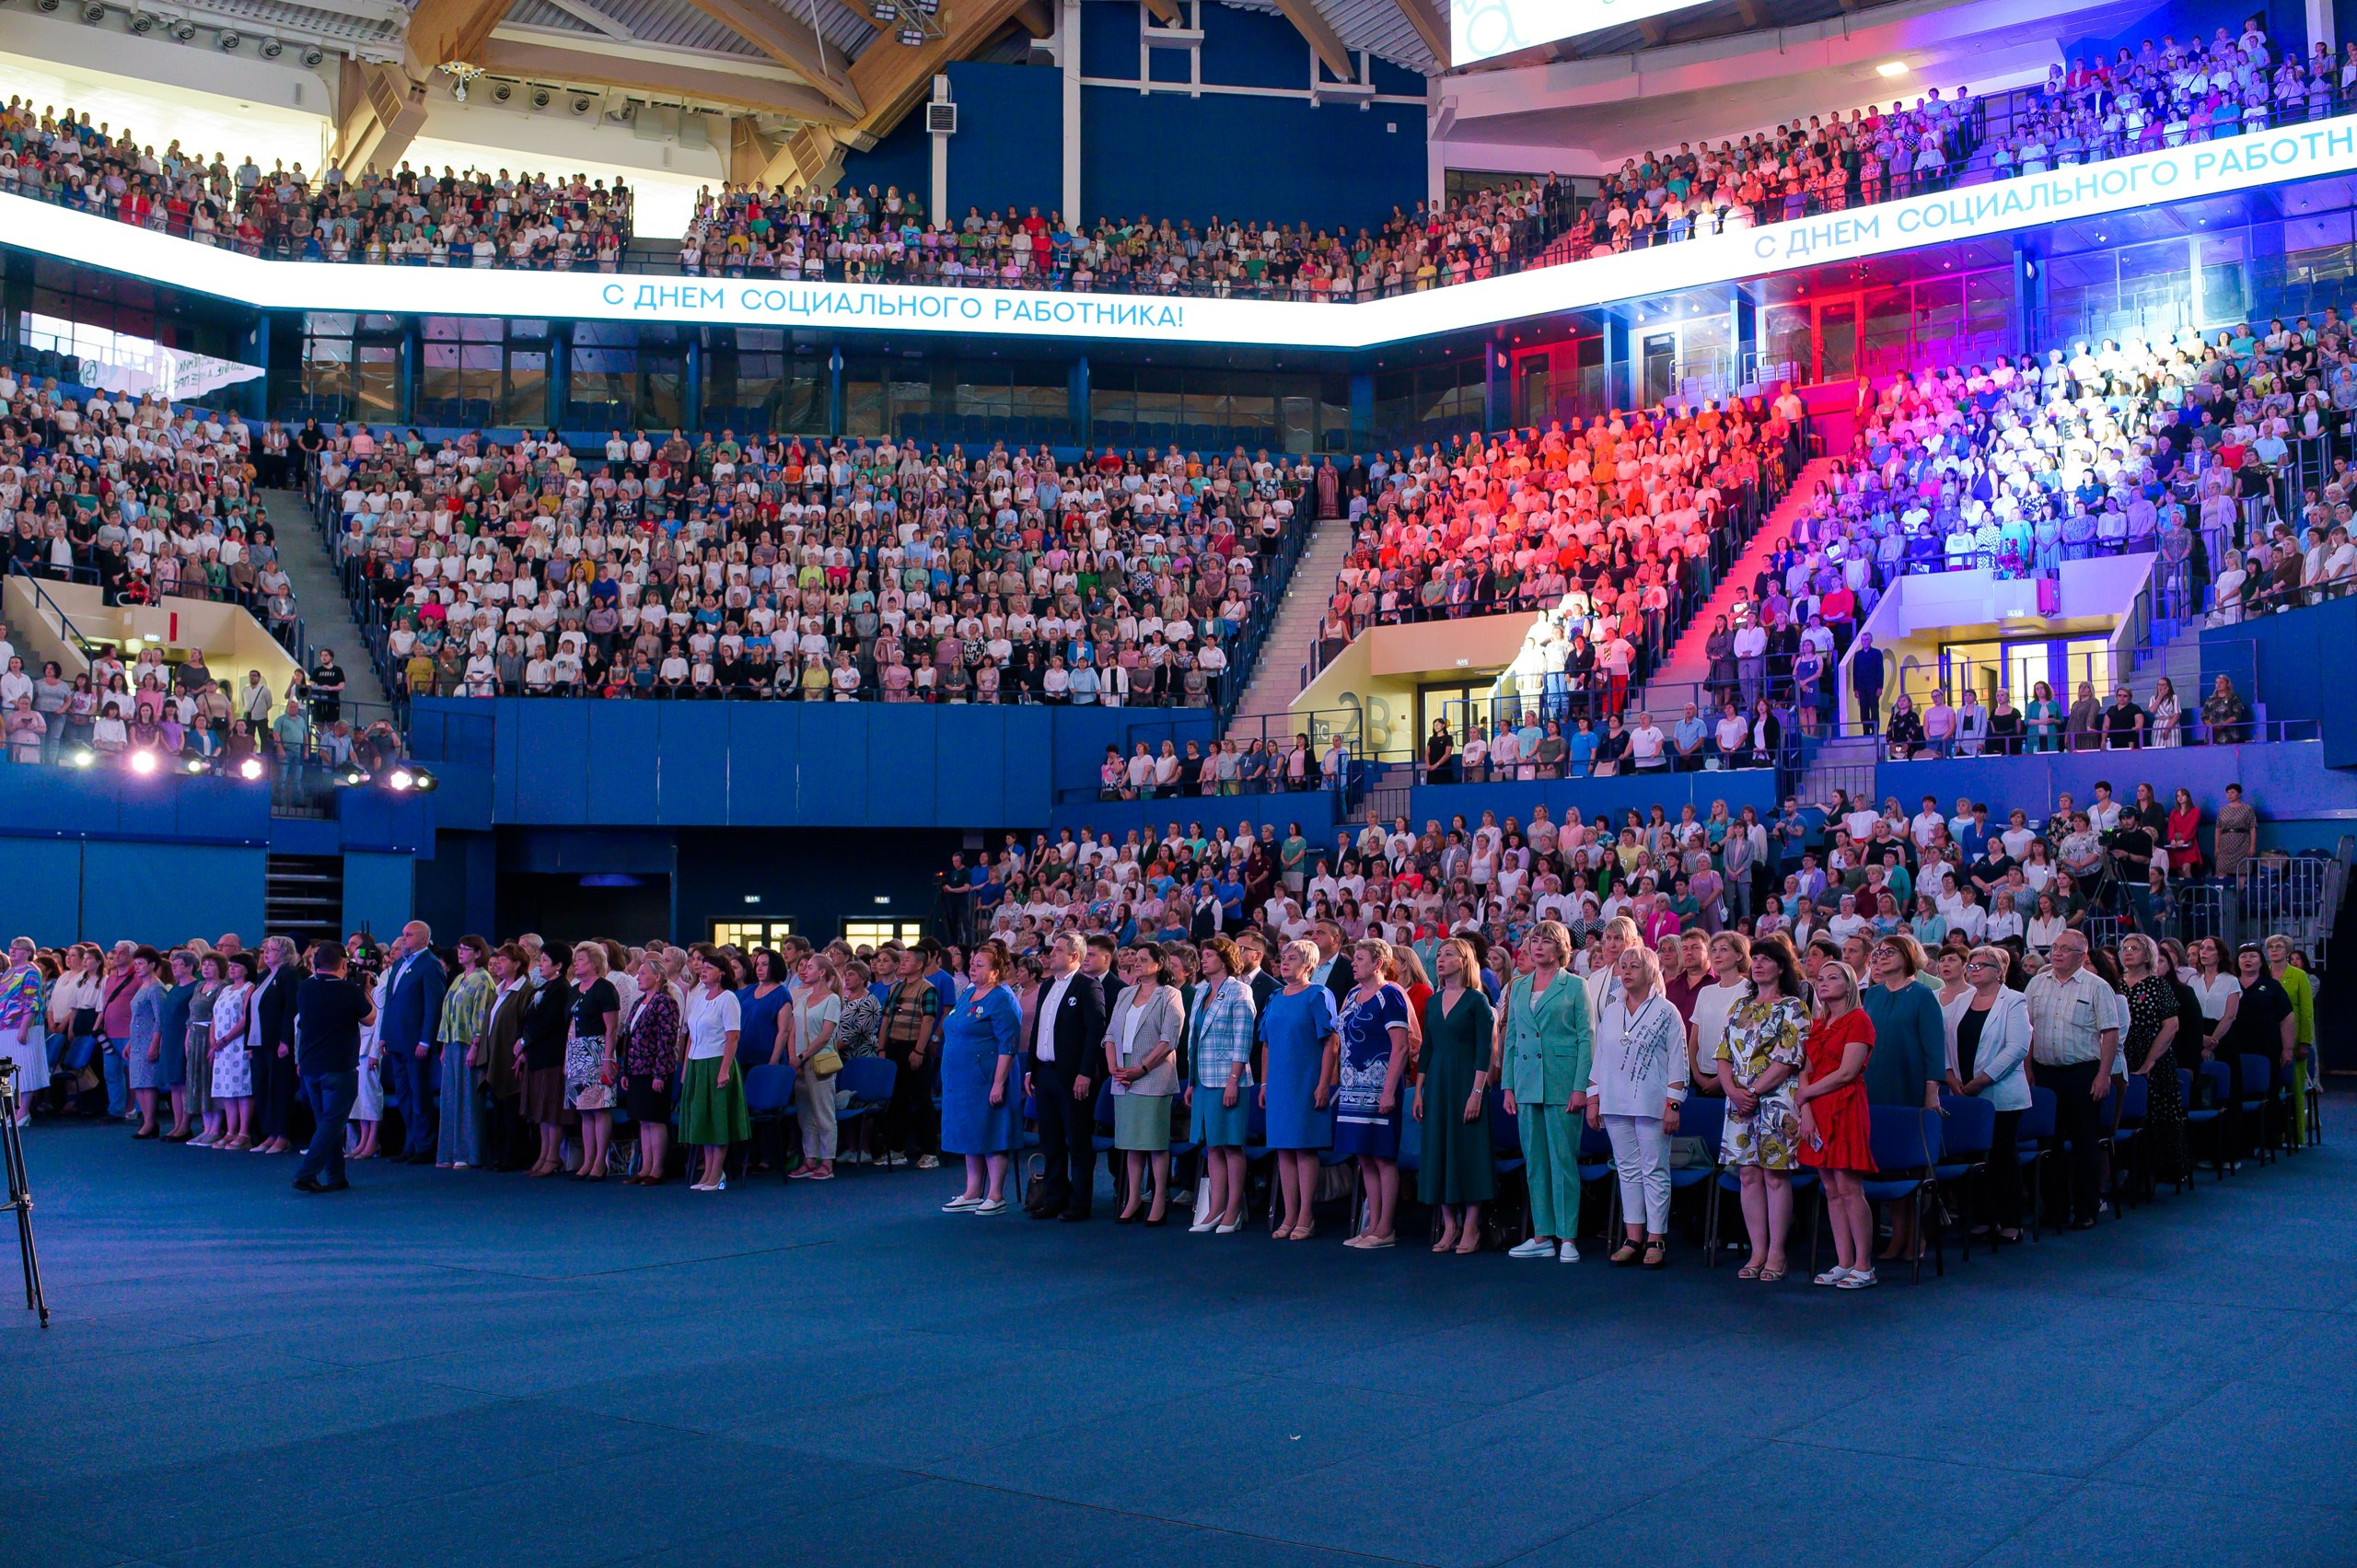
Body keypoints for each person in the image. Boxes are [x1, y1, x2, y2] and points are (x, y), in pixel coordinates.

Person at [1585, 941, 1688, 1270]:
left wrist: (1674, 1104)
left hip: (1652, 1102)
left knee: (1654, 1169)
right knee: (1627, 1170)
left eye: (1634, 966)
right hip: (1614, 1102)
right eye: (1623, 966)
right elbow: (1599, 1057)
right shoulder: (1612, 1010)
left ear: (1650, 972)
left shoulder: (1666, 1011)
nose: (1626, 972)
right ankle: (1633, 1237)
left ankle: (1656, 1237)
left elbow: (1678, 1060)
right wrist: (1593, 1098)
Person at [1716, 938, 1810, 1281]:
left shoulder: (1794, 1007)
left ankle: (1777, 1252)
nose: (1757, 964)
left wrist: (1752, 1091)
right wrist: (1732, 1090)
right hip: (1739, 1101)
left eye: (1766, 959)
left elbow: (1788, 1059)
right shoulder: (1740, 1005)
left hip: (1777, 1101)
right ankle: (1756, 1250)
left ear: (1781, 967)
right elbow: (1724, 1054)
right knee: (1747, 1174)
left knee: (1774, 1174)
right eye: (1754, 958)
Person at [1501, 920, 1594, 1263]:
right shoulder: (1519, 986)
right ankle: (1541, 1235)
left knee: (1563, 1161)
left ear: (1560, 949)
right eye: (1534, 940)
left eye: (1546, 941)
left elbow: (1587, 1039)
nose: (1537, 947)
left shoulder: (1575, 985)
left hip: (1561, 1081)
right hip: (1527, 1084)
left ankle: (1568, 1236)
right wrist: (1508, 1085)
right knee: (1535, 1162)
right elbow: (1510, 1039)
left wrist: (1581, 1086)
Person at [2024, 930, 2120, 1229]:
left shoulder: (2097, 986)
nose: (2058, 953)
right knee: (2049, 1145)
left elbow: (2110, 1033)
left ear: (2081, 955)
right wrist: (2028, 1071)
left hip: (2083, 1073)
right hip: (2045, 1073)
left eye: (2065, 949)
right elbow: (2026, 1029)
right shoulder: (2036, 983)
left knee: (2084, 1145)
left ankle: (2085, 1209)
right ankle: (2054, 1208)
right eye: (2054, 947)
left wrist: (2104, 1075)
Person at [1794, 960, 1878, 1288]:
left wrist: (1804, 1096)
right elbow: (1806, 1068)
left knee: (1848, 1186)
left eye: (1833, 977)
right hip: (1817, 1107)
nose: (1824, 982)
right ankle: (1844, 1261)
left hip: (1845, 1106)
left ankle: (1864, 1265)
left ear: (1849, 984)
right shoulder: (1818, 1024)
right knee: (1830, 1187)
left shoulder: (1860, 1021)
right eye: (1820, 978)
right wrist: (1807, 1109)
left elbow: (1847, 1072)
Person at [1859, 934, 1943, 1261]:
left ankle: (1916, 1235)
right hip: (1873, 1088)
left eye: (1888, 951)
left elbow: (1934, 1050)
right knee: (1883, 1166)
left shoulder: (1923, 996)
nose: (1880, 957)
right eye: (1877, 953)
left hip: (1908, 1088)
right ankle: (1896, 1236)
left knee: (1908, 1167)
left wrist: (1931, 1093)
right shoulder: (1873, 996)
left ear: (1907, 955)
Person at [1943, 946, 2032, 1243]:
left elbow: (2017, 1046)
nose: (1974, 969)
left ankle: (2010, 1220)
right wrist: (1950, 1075)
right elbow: (1943, 1039)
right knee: (1972, 1156)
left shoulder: (2014, 1000)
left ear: (1998, 971)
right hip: (1965, 1092)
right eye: (1971, 965)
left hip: (2001, 1091)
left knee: (2002, 1155)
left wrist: (1984, 1078)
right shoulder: (1960, 1001)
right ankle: (1981, 1216)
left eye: (1982, 965)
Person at [1418, 936, 1496, 1255]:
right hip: (1437, 1082)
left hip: (1467, 1079)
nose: (1441, 960)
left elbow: (1485, 1050)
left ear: (1464, 962)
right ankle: (1450, 1224)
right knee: (1439, 1148)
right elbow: (1427, 1048)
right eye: (1439, 955)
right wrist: (1419, 1091)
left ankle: (1472, 1225)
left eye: (1448, 955)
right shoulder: (1433, 1002)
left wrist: (1477, 1092)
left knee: (1469, 1150)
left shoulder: (1477, 1001)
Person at [1334, 936, 1412, 1249]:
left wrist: (1390, 1091)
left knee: (1382, 1157)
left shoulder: (1390, 994)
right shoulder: (1352, 995)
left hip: (1381, 1088)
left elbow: (1401, 1046)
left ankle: (1385, 1228)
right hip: (1353, 1088)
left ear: (1378, 963)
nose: (1353, 963)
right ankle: (1371, 1225)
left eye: (1360, 959)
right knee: (1364, 1157)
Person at [1259, 937, 1339, 1240]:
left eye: (1292, 958)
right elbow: (1266, 1044)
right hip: (1279, 1083)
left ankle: (1306, 1215)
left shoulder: (1318, 994)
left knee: (1304, 1149)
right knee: (1284, 1150)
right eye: (1283, 957)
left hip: (1306, 1081)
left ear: (1309, 964)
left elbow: (1331, 1043)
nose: (1284, 962)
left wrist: (1323, 1084)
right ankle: (1289, 1213)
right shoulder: (1275, 996)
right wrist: (1265, 1083)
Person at [1023, 932, 1105, 1223]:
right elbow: (1037, 1031)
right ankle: (1055, 1198)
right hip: (1045, 1074)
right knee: (1051, 1140)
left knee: (1078, 1141)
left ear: (1074, 956)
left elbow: (1095, 1032)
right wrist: (1030, 1068)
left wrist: (1085, 1072)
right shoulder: (1046, 987)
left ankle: (1080, 1203)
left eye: (1058, 950)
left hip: (1072, 1077)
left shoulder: (1088, 986)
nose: (1051, 954)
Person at [1104, 942, 1184, 1225]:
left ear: (1158, 965)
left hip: (1153, 1074)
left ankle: (1159, 1197)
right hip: (1123, 1075)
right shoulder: (1125, 993)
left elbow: (1168, 1040)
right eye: (1134, 959)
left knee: (1153, 1142)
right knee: (1130, 1142)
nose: (1135, 963)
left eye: (1142, 959)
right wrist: (1114, 1066)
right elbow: (1111, 1033)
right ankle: (1133, 1197)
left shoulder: (1169, 995)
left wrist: (1142, 1068)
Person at [939, 944, 1021, 1215]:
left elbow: (1008, 1044)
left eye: (980, 964)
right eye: (972, 963)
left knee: (991, 1130)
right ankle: (972, 1191)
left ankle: (995, 1194)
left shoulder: (1001, 998)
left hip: (986, 1078)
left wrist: (999, 1083)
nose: (972, 967)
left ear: (997, 971)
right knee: (969, 1131)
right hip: (960, 1079)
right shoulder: (970, 992)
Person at [291, 940, 376, 1194]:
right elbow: (370, 1018)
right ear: (342, 963)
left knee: (325, 1122)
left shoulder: (305, 987)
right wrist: (366, 990)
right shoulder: (349, 990)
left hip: (310, 1064)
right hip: (338, 1065)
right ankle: (306, 1173)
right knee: (333, 1123)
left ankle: (336, 1175)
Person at [1186, 935, 1256, 1235]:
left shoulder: (1239, 991)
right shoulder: (1201, 991)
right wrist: (1191, 1082)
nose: (1204, 960)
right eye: (1203, 955)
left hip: (1228, 1079)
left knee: (1230, 1145)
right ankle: (1216, 1206)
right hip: (1203, 1079)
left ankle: (1233, 1208)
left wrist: (1233, 1081)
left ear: (1225, 959)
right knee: (1212, 1146)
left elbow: (1243, 1041)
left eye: (1210, 955)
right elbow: (1193, 1041)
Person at [2118, 934, 2187, 1190]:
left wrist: (2149, 1062)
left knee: (2156, 1116)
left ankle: (2153, 1172)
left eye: (2134, 948)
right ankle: (2124, 1170)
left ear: (2147, 955)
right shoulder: (2115, 985)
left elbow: (2171, 1026)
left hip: (2156, 1057)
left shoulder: (2159, 985)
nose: (2128, 952)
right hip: (2121, 1056)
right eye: (2124, 948)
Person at [379, 921, 449, 1165]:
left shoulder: (430, 965)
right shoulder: (399, 964)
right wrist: (384, 1035)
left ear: (422, 939)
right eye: (403, 935)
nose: (403, 939)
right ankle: (411, 1142)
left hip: (415, 1042)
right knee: (404, 1095)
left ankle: (425, 1145)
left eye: (408, 935)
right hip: (396, 1040)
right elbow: (390, 1002)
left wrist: (426, 1040)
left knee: (420, 1095)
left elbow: (433, 1006)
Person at [679, 952, 747, 1192]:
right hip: (698, 1062)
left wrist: (724, 1069)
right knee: (703, 1119)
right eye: (702, 967)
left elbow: (733, 1036)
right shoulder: (699, 998)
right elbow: (690, 1036)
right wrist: (687, 1067)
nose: (703, 970)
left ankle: (717, 1173)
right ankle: (708, 1172)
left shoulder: (728, 998)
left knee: (717, 1120)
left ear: (722, 973)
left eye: (709, 967)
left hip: (717, 1061)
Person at [433, 935, 495, 1168]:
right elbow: (447, 1012)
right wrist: (443, 1044)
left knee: (468, 1100)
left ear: (478, 953)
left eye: (466, 949)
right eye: (458, 948)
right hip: (452, 1043)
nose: (460, 953)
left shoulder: (483, 980)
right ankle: (448, 1151)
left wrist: (476, 1046)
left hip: (469, 1044)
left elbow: (482, 1015)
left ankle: (469, 1153)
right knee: (450, 1099)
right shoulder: (459, 978)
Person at [619, 956, 681, 1186]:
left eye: (644, 973)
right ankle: (645, 1168)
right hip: (636, 1069)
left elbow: (667, 1040)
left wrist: (660, 1073)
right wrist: (625, 1070)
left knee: (655, 1119)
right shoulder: (638, 1003)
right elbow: (630, 1038)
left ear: (657, 977)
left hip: (654, 1070)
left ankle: (657, 1169)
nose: (639, 977)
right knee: (642, 1120)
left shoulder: (665, 1002)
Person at [516, 944, 577, 1178]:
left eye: (544, 960)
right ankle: (543, 1153)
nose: (540, 964)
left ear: (558, 965)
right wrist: (523, 1041)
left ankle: (553, 1156)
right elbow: (529, 1019)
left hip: (552, 1055)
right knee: (540, 1110)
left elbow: (550, 1023)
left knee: (551, 1109)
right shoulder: (545, 987)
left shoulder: (562, 989)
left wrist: (524, 1042)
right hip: (538, 1055)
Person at [563, 943, 621, 1182]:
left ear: (595, 963)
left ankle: (600, 1162)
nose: (576, 963)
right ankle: (587, 1160)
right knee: (584, 1111)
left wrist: (608, 1058)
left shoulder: (605, 988)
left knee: (599, 1107)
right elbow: (570, 1024)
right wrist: (567, 1058)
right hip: (576, 1051)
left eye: (581, 959)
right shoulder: (575, 989)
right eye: (575, 960)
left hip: (597, 1050)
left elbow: (612, 1028)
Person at [786, 955, 842, 1180]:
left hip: (820, 1062)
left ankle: (827, 1161)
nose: (805, 970)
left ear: (822, 972)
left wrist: (803, 1055)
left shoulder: (832, 1000)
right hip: (800, 1063)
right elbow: (792, 1030)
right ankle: (810, 1159)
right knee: (805, 1115)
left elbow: (826, 1034)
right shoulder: (803, 999)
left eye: (810, 967)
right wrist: (793, 1057)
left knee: (824, 1114)